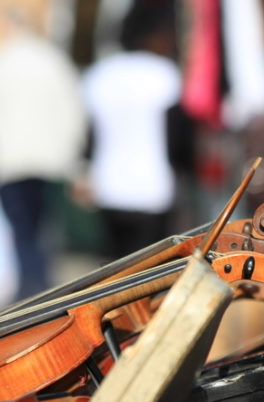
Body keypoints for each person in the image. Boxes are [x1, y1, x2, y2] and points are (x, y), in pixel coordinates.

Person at [0, 7, 86, 300]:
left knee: (22, 230)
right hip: (50, 161)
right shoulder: (53, 61)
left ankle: (31, 287)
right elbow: (73, 111)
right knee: (45, 225)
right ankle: (42, 284)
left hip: (9, 162)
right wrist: (72, 157)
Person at [81, 2, 181, 259]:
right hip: (154, 189)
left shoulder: (100, 75)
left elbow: (89, 136)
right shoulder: (165, 75)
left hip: (109, 186)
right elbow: (178, 137)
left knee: (113, 269)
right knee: (148, 273)